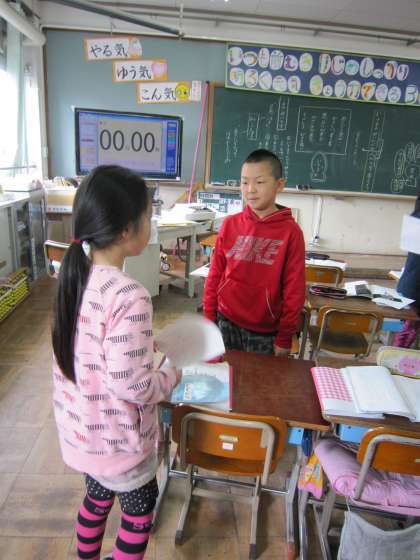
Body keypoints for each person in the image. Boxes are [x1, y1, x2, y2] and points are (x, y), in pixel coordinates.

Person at [51, 165, 180, 560]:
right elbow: (133, 386)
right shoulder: (130, 295)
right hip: (119, 440)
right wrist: (171, 373)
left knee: (96, 499)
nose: (151, 223)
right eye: (148, 215)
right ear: (126, 230)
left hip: (83, 432)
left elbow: (92, 347)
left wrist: (143, 345)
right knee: (139, 515)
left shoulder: (76, 278)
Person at [203, 149, 305, 356]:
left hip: (265, 330)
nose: (250, 190)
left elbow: (294, 290)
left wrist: (284, 337)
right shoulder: (230, 224)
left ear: (279, 185)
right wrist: (209, 318)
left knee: (259, 377)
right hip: (226, 320)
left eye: (259, 182)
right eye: (244, 182)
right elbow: (214, 274)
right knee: (225, 373)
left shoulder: (291, 233)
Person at [394, 191, 420, 348]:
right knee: (409, 332)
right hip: (415, 287)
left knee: (408, 331)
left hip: (410, 285)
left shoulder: (416, 216)